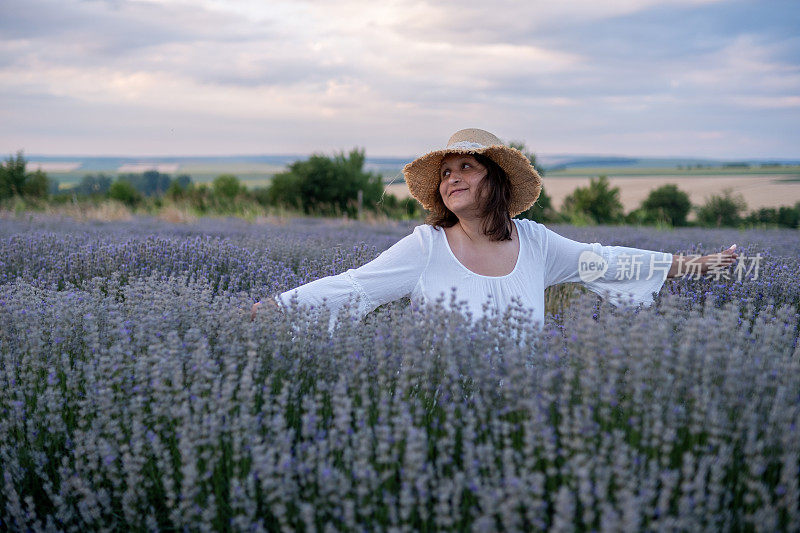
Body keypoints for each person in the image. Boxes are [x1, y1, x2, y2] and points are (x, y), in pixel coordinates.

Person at [251, 128, 737, 327]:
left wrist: (699, 266)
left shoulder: (538, 244)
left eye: (467, 167)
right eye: (446, 172)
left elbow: (605, 260)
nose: (452, 178)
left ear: (497, 182)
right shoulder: (426, 246)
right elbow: (355, 286)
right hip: (437, 414)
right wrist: (273, 308)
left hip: (515, 416)